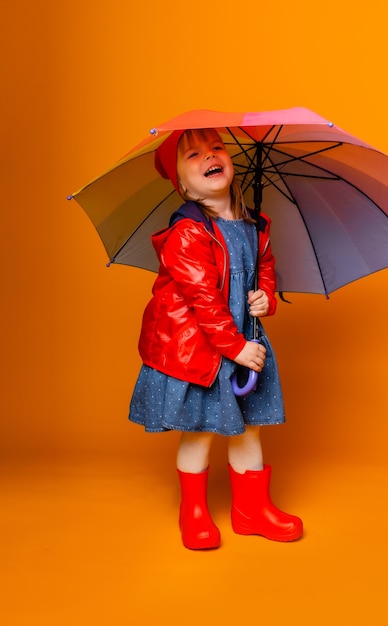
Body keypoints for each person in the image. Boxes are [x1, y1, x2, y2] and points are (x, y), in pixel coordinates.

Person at [129, 127, 303, 550]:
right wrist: (237, 348)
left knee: (249, 429)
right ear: (181, 184)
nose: (209, 156)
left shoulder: (253, 225)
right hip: (201, 350)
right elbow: (203, 301)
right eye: (192, 155)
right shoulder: (187, 232)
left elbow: (264, 269)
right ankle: (193, 514)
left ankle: (251, 510)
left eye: (216, 148)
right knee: (201, 430)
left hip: (241, 340)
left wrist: (265, 300)